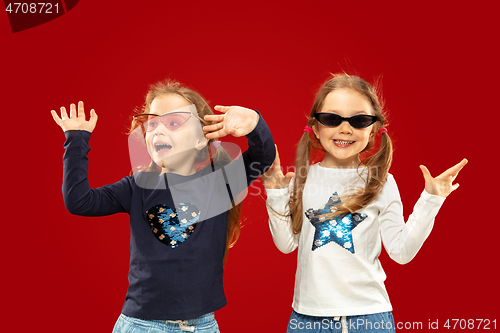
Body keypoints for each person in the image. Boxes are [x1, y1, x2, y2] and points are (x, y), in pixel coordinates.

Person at [51, 80, 275, 333]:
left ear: (202, 138)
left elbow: (263, 156)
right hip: (141, 325)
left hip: (202, 326)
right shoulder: (136, 187)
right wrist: (77, 139)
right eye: (152, 123)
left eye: (173, 123)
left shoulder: (220, 182)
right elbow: (80, 201)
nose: (157, 130)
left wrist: (254, 122)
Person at [261, 74, 467, 332]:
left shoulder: (382, 182)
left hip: (369, 320)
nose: (345, 129)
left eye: (359, 120)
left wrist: (431, 199)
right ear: (315, 126)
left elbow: (401, 253)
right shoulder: (302, 179)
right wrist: (275, 192)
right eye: (332, 119)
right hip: (307, 319)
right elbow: (286, 245)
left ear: (373, 130)